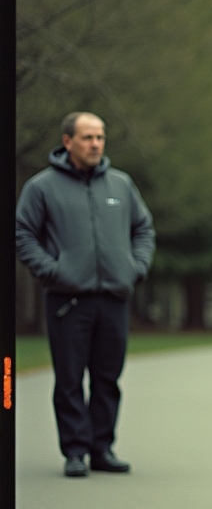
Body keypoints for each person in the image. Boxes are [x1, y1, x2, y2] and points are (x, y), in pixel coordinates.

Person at [16, 112, 155, 477]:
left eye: (100, 137)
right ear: (67, 141)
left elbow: (143, 229)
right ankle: (75, 451)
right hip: (67, 301)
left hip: (114, 298)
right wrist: (54, 271)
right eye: (87, 137)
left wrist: (134, 267)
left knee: (108, 378)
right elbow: (24, 235)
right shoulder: (41, 187)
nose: (95, 143)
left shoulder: (121, 185)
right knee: (70, 379)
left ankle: (102, 449)